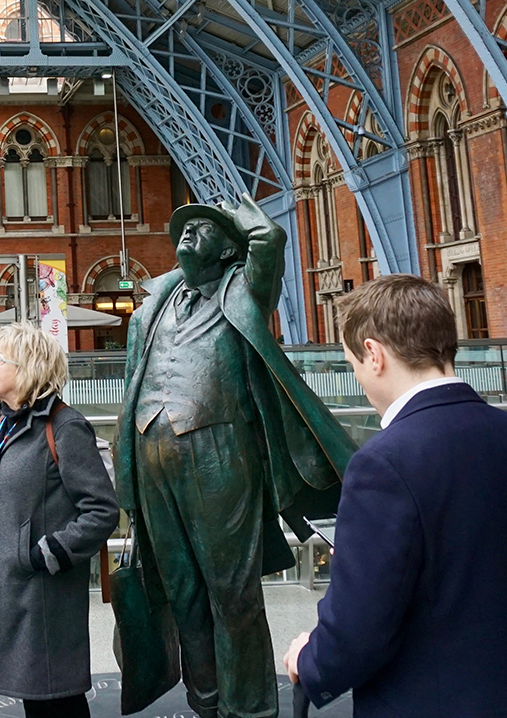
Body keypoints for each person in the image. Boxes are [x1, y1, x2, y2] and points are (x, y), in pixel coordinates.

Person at [284, 275, 507, 718]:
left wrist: (309, 660)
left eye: (352, 364)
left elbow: (358, 630)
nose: (359, 379)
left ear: (374, 354)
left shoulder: (382, 465)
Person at [113, 197, 353, 718]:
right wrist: (126, 474)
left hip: (220, 455)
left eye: (203, 228)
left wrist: (238, 216)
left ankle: (248, 709)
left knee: (232, 593)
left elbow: (269, 239)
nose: (187, 233)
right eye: (184, 227)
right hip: (152, 460)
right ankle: (206, 700)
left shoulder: (243, 289)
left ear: (227, 250)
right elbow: (133, 384)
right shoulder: (153, 305)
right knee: (182, 591)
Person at [0, 323, 119, 718]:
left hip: (43, 595)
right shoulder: (9, 424)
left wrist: (45, 553)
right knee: (38, 697)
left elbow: (102, 510)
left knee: (55, 699)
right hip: (11, 591)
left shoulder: (64, 426)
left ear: (26, 368)